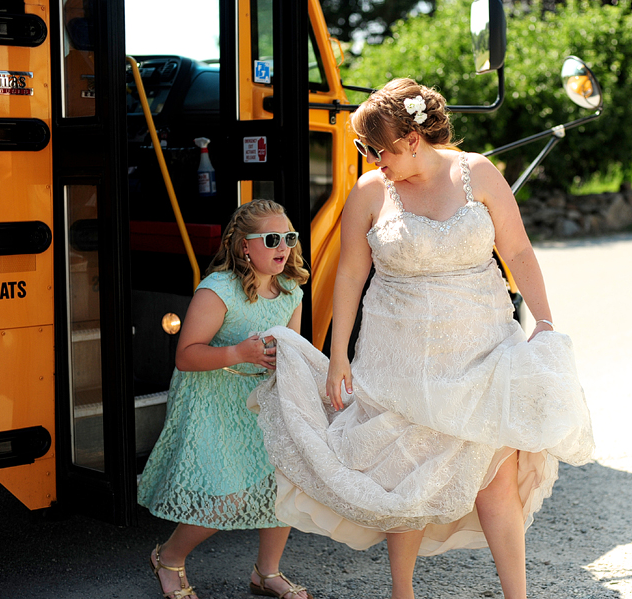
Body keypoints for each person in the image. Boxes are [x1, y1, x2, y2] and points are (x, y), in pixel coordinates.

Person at [248, 79, 594, 599]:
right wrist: (338, 351)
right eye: (366, 149)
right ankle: (402, 594)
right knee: (402, 478)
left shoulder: (478, 174)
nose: (372, 158)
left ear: (413, 139)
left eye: (379, 148)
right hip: (397, 358)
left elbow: (518, 251)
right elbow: (348, 274)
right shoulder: (369, 191)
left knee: (496, 477)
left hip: (482, 350)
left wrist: (543, 322)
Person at [138, 200, 313, 599]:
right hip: (212, 399)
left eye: (289, 237)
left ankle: (266, 573)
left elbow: (290, 350)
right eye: (271, 239)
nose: (283, 246)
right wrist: (239, 353)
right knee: (226, 498)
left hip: (259, 398)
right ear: (243, 247)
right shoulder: (218, 291)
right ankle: (168, 558)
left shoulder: (291, 291)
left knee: (281, 484)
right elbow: (186, 356)